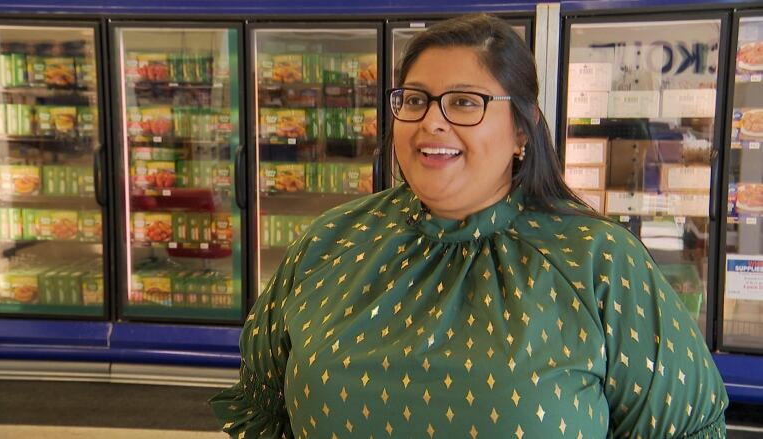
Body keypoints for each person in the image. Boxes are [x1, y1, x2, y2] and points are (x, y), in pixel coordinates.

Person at [210, 13, 728, 438]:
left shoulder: (599, 263)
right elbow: (261, 407)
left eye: (465, 102)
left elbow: (685, 428)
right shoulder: (330, 242)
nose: (432, 121)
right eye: (415, 100)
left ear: (522, 130)